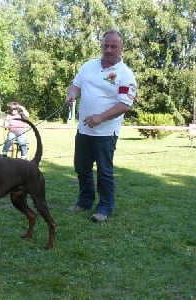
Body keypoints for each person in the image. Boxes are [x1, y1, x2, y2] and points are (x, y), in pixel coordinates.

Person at [65, 29, 137, 223]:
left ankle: (104, 208)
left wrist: (100, 117)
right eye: (106, 45)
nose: (109, 49)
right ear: (102, 45)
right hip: (83, 130)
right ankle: (84, 201)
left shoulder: (125, 74)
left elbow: (125, 104)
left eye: (114, 46)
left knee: (104, 171)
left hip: (106, 132)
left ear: (121, 48)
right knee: (81, 168)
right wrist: (71, 94)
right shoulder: (88, 66)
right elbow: (75, 85)